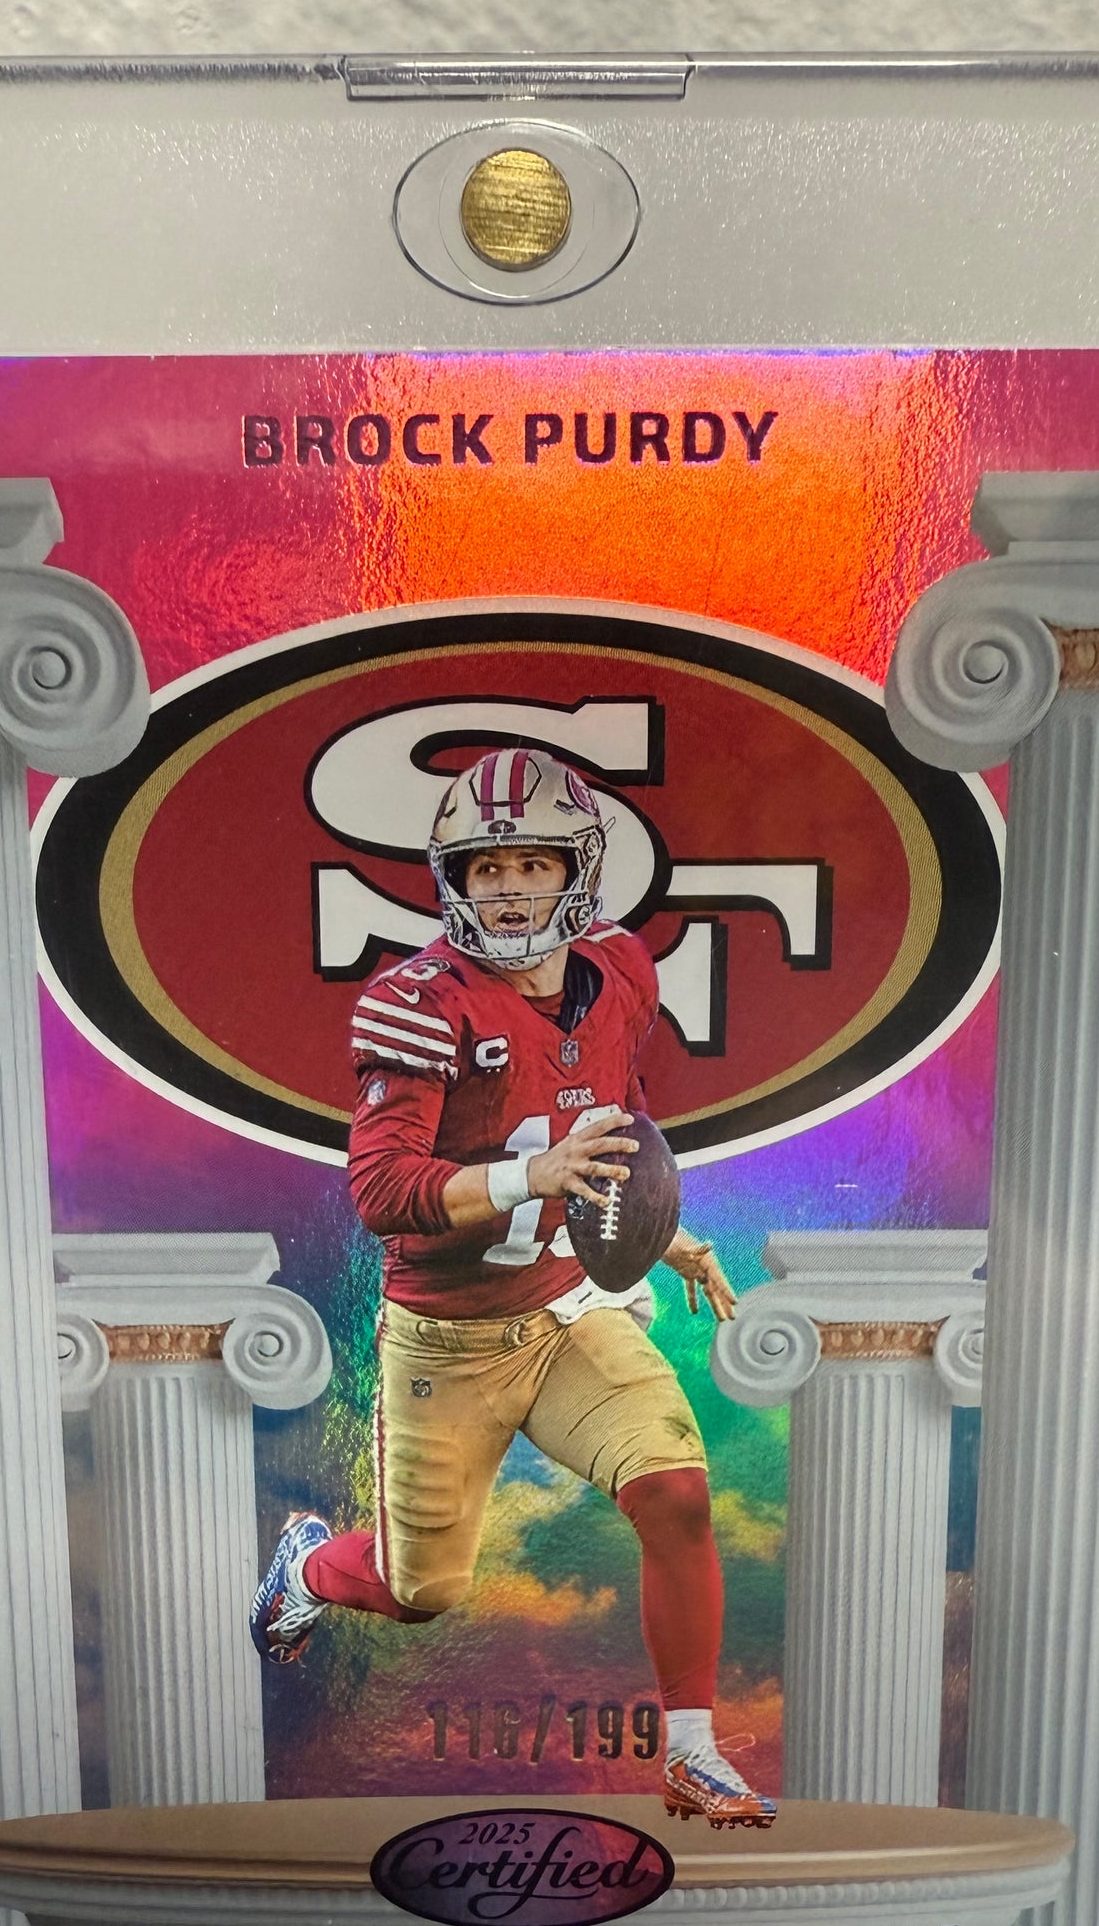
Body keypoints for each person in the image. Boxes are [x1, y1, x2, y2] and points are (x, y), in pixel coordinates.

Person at [250, 744, 775, 1828]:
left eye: (533, 863)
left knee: (676, 1492)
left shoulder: (619, 970)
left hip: (567, 1306)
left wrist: (657, 1234)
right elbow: (382, 1190)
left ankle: (689, 1751)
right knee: (421, 1593)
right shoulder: (419, 1002)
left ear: (577, 869)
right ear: (453, 879)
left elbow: (611, 1120)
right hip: (447, 1339)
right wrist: (527, 1177)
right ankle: (308, 1569)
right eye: (486, 867)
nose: (508, 887)